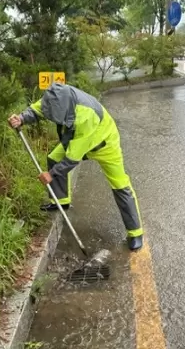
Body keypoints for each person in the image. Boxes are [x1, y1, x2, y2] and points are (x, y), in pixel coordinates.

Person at [8, 83, 144, 251]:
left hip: (104, 144)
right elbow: (38, 109)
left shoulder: (86, 116)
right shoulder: (55, 97)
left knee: (120, 185)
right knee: (53, 158)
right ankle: (61, 201)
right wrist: (21, 118)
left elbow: (72, 158)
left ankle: (135, 232)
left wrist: (51, 174)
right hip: (75, 139)